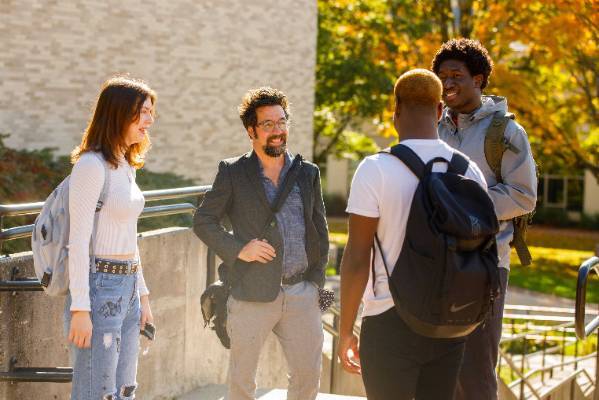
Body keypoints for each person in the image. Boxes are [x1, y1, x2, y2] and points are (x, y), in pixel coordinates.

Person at [338, 69, 488, 400]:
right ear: (439, 111)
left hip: (389, 321)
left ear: (396, 111)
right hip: (450, 322)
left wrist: (346, 331)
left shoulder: (375, 169)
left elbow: (357, 258)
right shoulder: (469, 171)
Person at [193, 87, 329, 400]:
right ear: (251, 131)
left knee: (308, 380)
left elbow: (320, 231)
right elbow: (203, 221)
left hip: (301, 294)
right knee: (242, 384)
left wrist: (315, 285)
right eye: (268, 124)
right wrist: (239, 248)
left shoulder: (307, 173)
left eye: (282, 122)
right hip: (251, 293)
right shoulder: (233, 173)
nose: (278, 130)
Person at [432, 38, 537, 400]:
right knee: (437, 368)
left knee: (476, 371)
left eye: (456, 75)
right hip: (434, 261)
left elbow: (523, 195)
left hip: (486, 263)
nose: (447, 83)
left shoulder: (505, 132)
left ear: (478, 79)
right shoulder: (434, 127)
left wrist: (460, 205)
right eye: (442, 75)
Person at [66, 76, 156, 400]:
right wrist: (79, 308)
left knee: (124, 390)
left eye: (150, 112)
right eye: (143, 112)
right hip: (99, 288)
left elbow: (130, 237)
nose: (150, 120)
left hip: (128, 286)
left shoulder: (125, 166)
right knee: (96, 392)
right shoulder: (92, 165)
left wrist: (142, 295)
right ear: (120, 113)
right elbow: (77, 241)